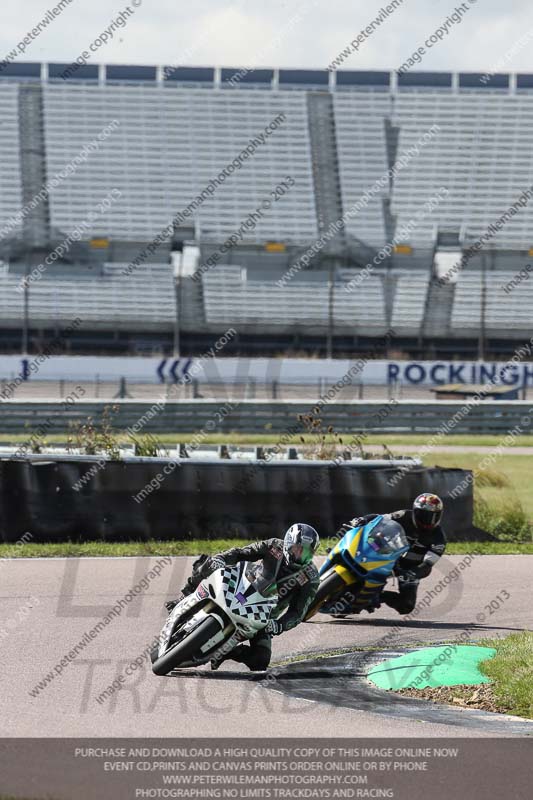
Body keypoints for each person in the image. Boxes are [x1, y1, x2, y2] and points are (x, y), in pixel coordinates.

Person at [165, 523, 320, 671]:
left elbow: (298, 612)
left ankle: (228, 651)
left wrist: (278, 625)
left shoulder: (311, 577)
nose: (300, 555)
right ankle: (184, 596)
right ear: (288, 543)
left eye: (306, 552)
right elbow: (243, 553)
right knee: (207, 562)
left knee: (261, 661)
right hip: (243, 586)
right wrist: (222, 558)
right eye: (298, 549)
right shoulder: (274, 546)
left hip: (263, 617)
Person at [344, 493, 446, 616]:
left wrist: (413, 573)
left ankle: (375, 597)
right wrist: (363, 519)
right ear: (415, 511)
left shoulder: (439, 538)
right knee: (362, 542)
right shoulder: (403, 515)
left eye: (434, 516)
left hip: (408, 568)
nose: (428, 520)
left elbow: (428, 564)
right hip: (385, 553)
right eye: (424, 515)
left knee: (406, 606)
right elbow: (379, 519)